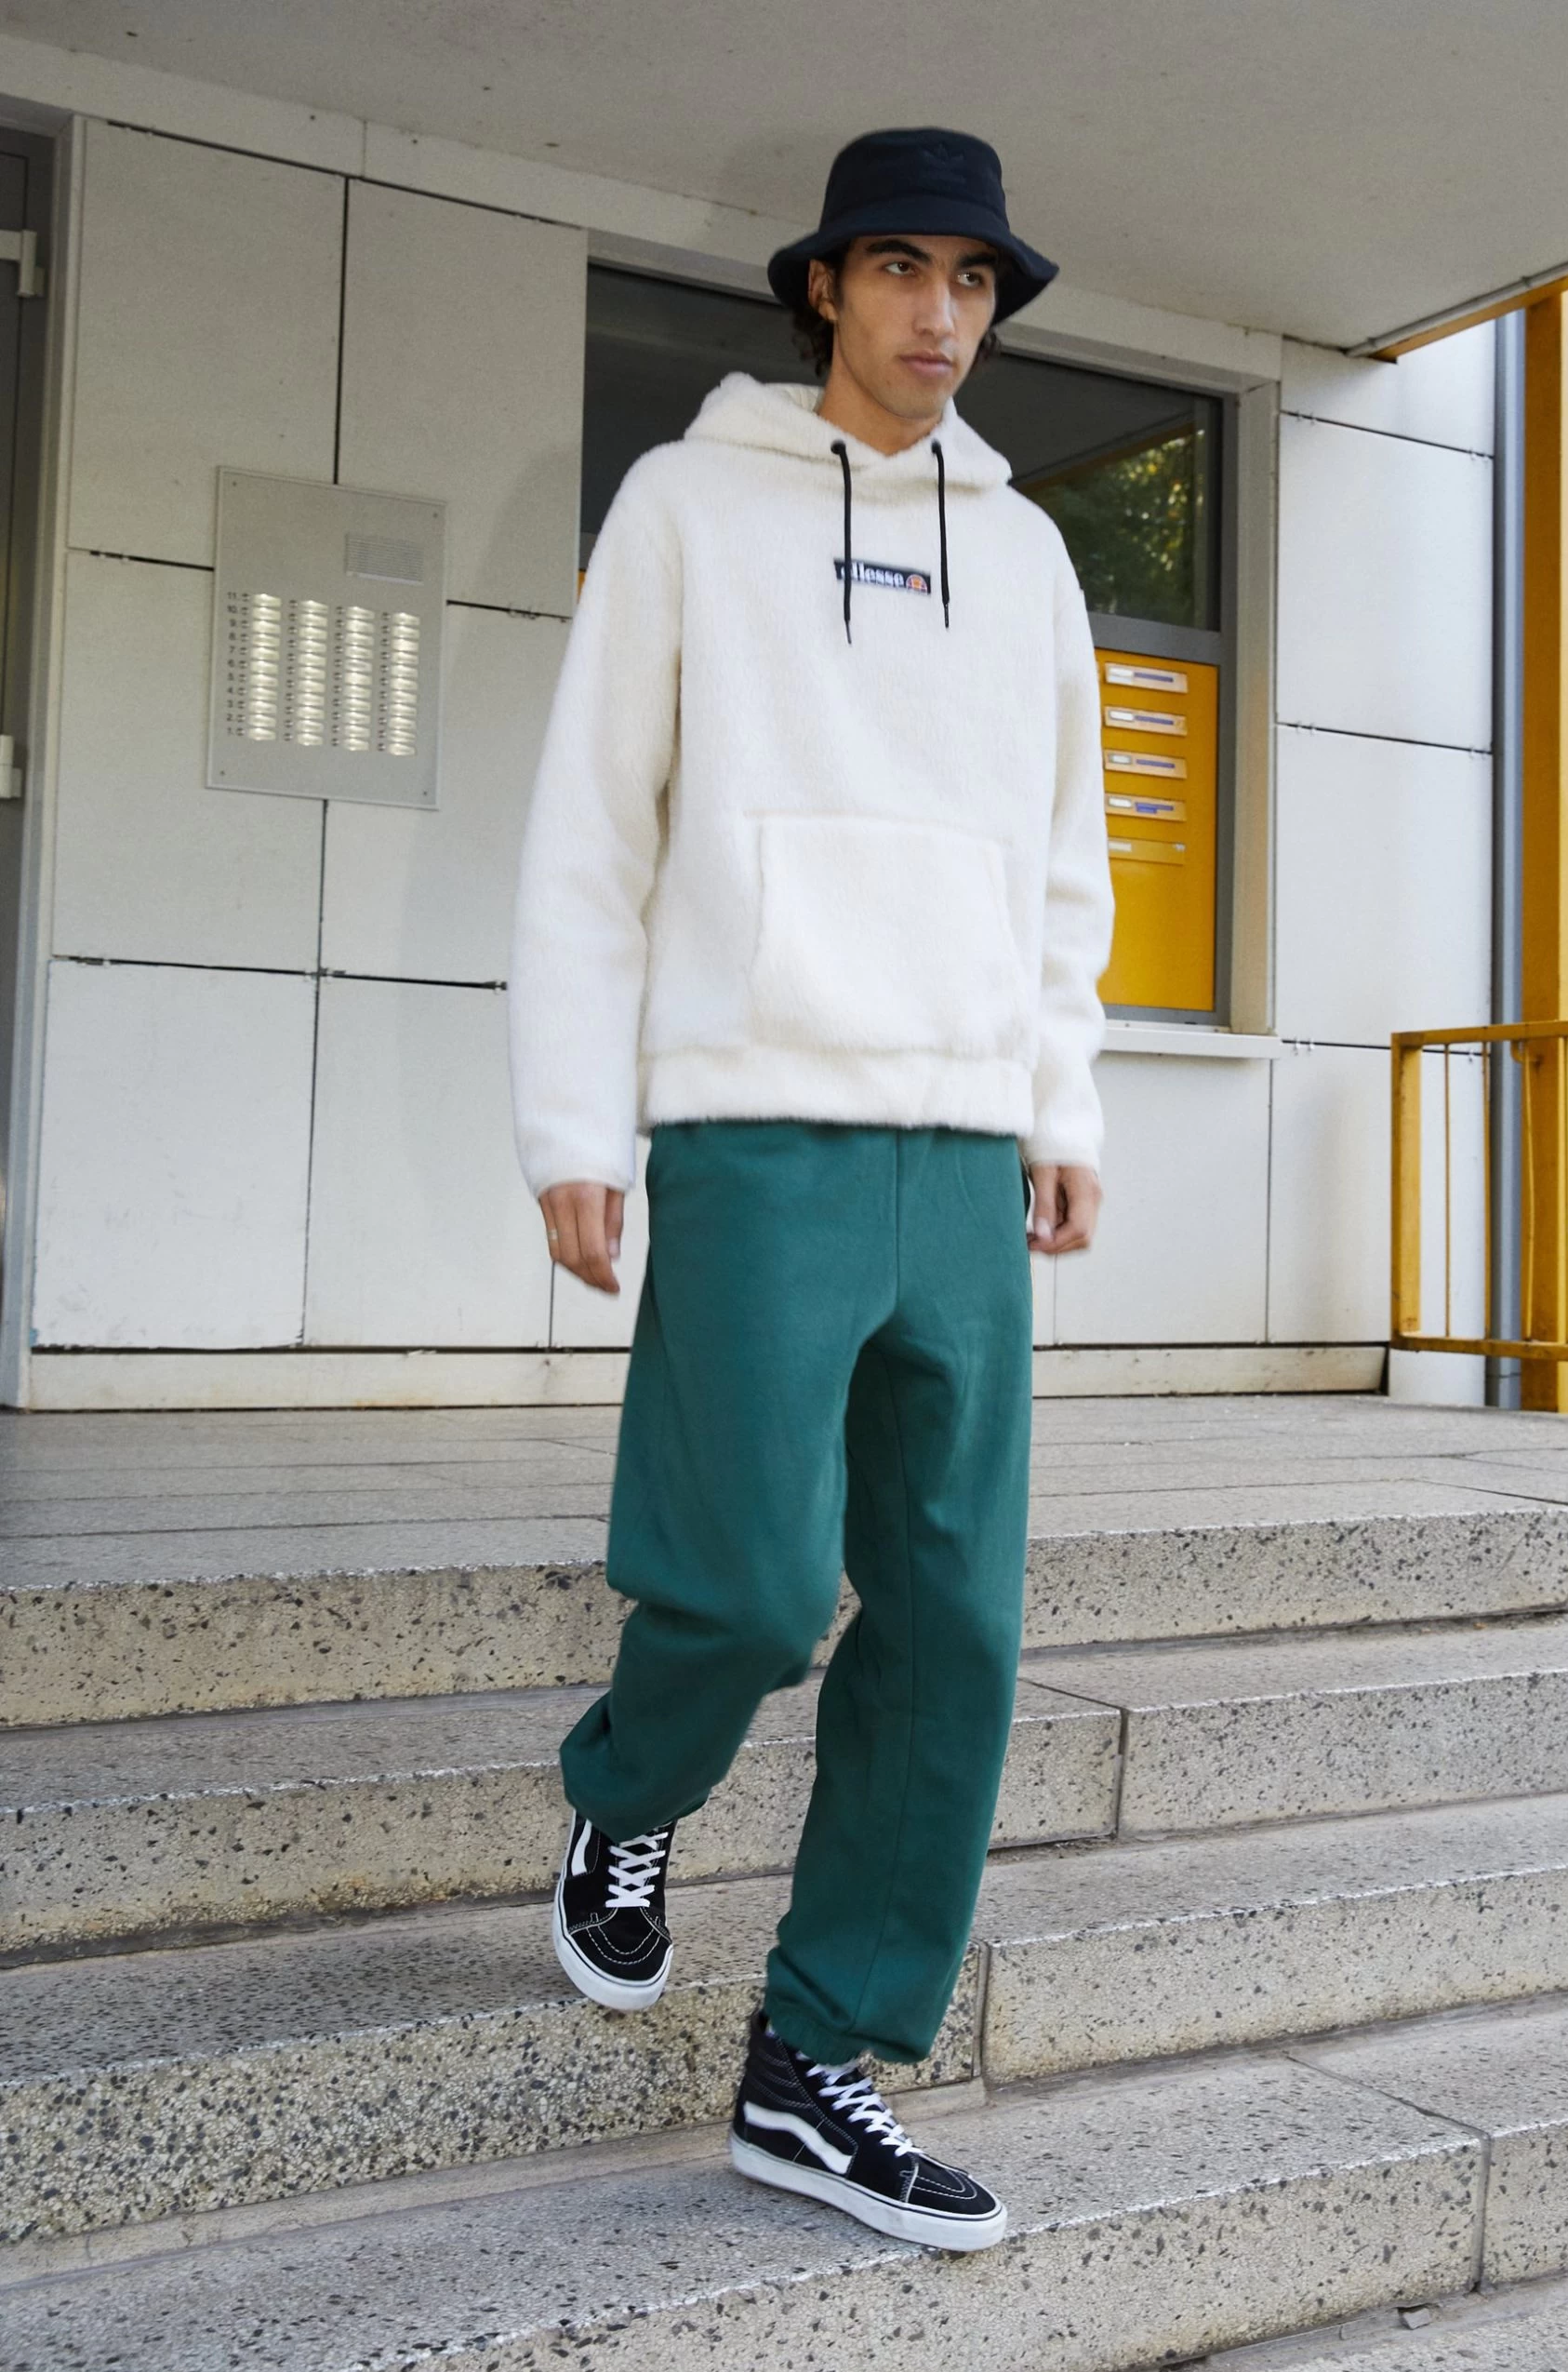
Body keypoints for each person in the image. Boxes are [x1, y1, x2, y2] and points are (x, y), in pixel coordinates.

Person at [507, 124, 1113, 2252]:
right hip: (755, 1118)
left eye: (974, 278)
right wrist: (575, 1124)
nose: (942, 312)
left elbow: (1063, 862)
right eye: (904, 268)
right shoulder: (688, 507)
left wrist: (1062, 1100)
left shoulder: (1025, 556)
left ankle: (817, 2053)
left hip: (962, 1139)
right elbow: (593, 826)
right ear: (825, 289)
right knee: (757, 1585)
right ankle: (629, 1793)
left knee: (955, 1621)